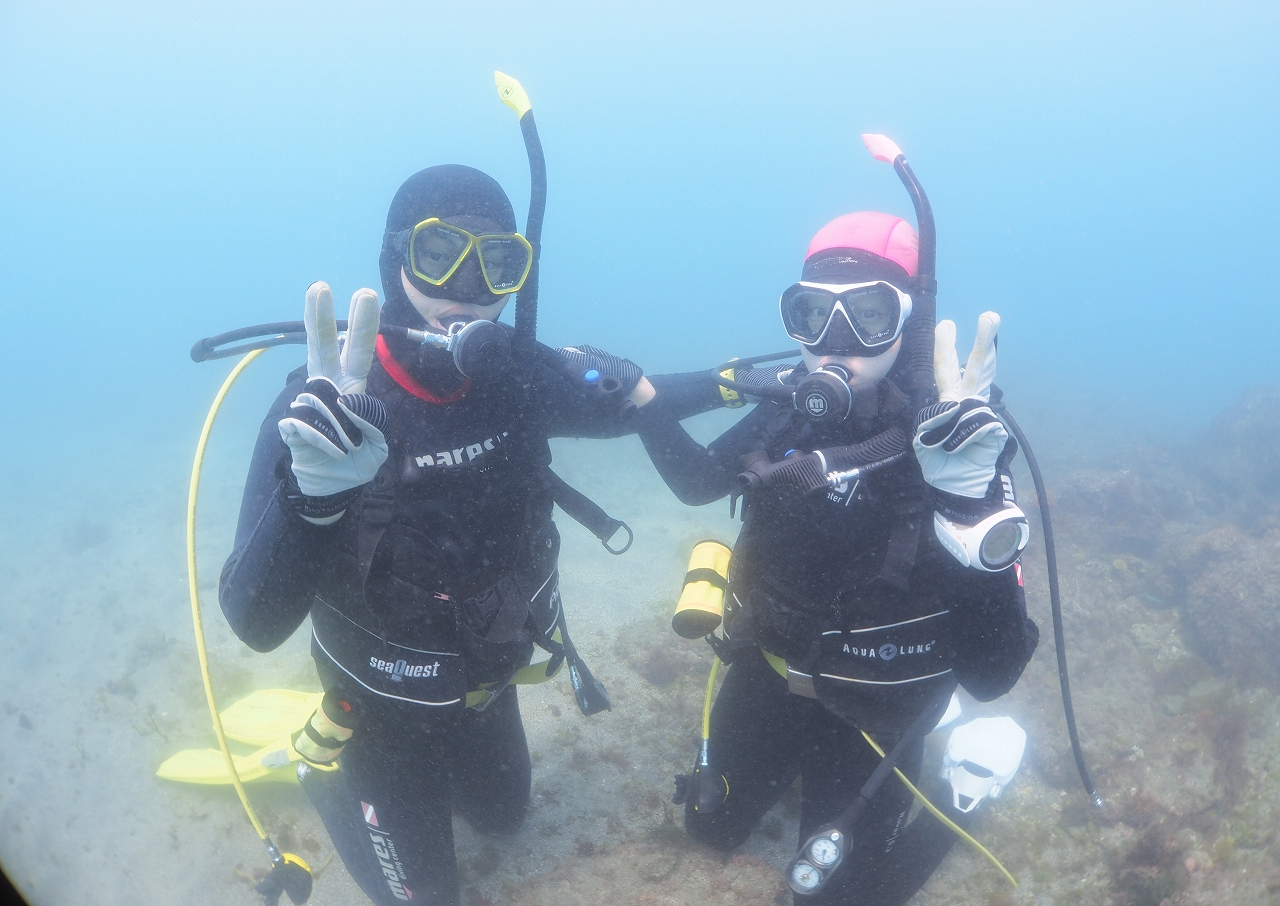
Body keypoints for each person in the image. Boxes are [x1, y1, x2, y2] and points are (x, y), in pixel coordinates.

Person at [218, 163, 721, 906]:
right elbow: (253, 624)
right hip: (378, 715)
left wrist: (756, 385)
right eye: (438, 253)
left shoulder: (515, 382)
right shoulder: (323, 414)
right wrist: (312, 498)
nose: (465, 287)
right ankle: (323, 767)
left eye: (496, 263)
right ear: (395, 260)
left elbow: (631, 407)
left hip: (484, 691)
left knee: (506, 820)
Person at [633, 205, 1041, 904]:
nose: (834, 344)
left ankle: (964, 782)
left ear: (908, 323)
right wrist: (642, 400)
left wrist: (970, 509)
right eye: (812, 314)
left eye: (870, 317)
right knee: (707, 828)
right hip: (772, 672)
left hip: (881, 706)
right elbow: (701, 482)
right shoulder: (787, 410)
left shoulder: (955, 447)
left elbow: (993, 673)